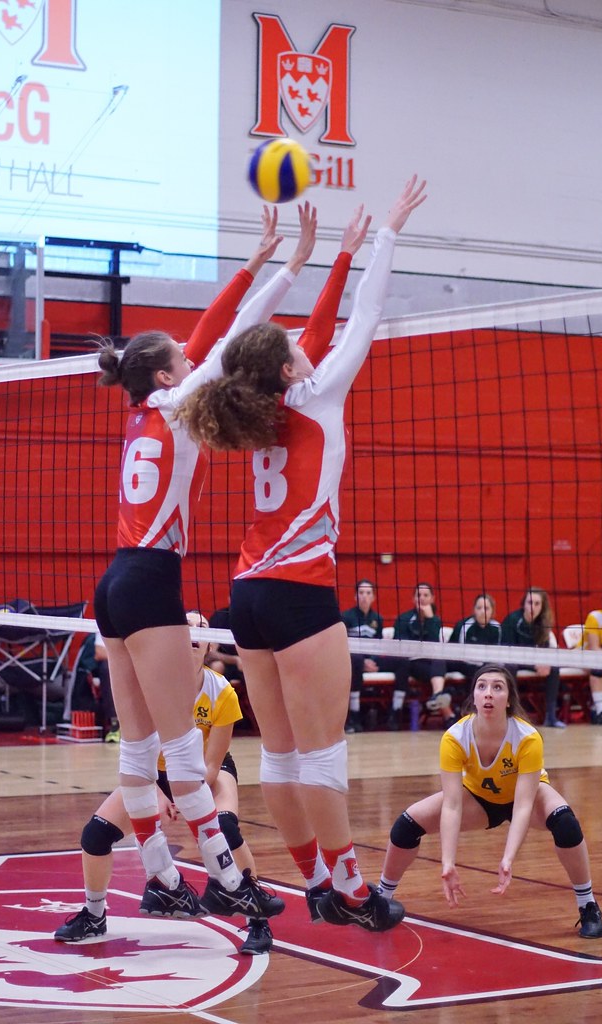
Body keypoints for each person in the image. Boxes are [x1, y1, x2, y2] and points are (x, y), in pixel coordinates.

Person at [178, 177, 427, 931]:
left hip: (248, 593)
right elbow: (366, 319)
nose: (301, 345)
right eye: (291, 348)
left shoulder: (266, 402)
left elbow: (313, 335)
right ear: (287, 369)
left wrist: (339, 256)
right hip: (299, 590)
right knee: (321, 756)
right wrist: (385, 234)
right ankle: (351, 890)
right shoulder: (319, 394)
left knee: (280, 756)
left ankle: (314, 880)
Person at [91, 205, 317, 923]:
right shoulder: (181, 399)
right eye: (184, 360)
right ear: (168, 373)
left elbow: (205, 333)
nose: (195, 361)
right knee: (182, 753)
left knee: (137, 750)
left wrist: (257, 257)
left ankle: (160, 879)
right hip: (153, 580)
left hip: (114, 582)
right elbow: (237, 327)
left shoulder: (141, 408)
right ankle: (227, 879)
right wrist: (281, 265)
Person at [55, 612, 274, 954]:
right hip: (153, 773)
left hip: (204, 773)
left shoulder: (222, 694)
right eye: (186, 626)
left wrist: (187, 798)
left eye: (202, 627)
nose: (194, 632)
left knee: (227, 832)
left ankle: (258, 920)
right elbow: (137, 753)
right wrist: (158, 792)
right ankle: (94, 915)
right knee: (94, 836)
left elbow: (213, 766)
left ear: (211, 644)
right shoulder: (151, 684)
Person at [375, 664, 602, 940]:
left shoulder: (527, 737)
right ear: (473, 696)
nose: (488, 693)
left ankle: (588, 905)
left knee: (566, 824)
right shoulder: (455, 738)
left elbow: (521, 805)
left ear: (508, 699)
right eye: (482, 686)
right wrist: (447, 862)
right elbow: (452, 805)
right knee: (405, 826)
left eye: (498, 687)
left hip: (527, 797)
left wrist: (508, 858)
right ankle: (381, 900)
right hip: (478, 799)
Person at [386, 583, 453, 729]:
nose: (421, 598)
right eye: (418, 595)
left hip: (429, 666)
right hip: (411, 665)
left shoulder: (435, 620)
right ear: (413, 598)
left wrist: (429, 619)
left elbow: (435, 645)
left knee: (439, 660)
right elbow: (400, 647)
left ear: (432, 599)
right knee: (408, 664)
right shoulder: (403, 618)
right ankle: (447, 711)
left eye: (425, 595)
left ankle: (437, 695)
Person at [501, 588, 563, 728]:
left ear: (542, 607)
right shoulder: (512, 620)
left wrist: (545, 662)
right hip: (510, 660)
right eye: (530, 602)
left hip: (531, 661)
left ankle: (551, 716)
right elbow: (509, 653)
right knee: (510, 668)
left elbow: (545, 650)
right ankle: (511, 714)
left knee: (554, 668)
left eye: (537, 604)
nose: (532, 607)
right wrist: (535, 664)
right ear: (524, 604)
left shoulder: (543, 623)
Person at [340, 579, 383, 733]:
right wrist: (364, 661)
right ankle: (354, 715)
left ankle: (395, 713)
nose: (364, 596)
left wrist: (372, 660)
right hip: (352, 661)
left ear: (373, 597)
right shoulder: (346, 617)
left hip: (371, 661)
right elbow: (343, 645)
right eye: (361, 593)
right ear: (355, 596)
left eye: (368, 593)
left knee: (401, 662)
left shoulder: (378, 619)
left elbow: (379, 644)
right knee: (357, 659)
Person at [446, 593, 502, 688]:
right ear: (474, 610)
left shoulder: (497, 628)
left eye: (486, 608)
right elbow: (459, 655)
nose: (482, 612)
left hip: (484, 665)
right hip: (461, 662)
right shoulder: (464, 626)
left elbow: (497, 654)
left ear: (492, 611)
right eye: (479, 608)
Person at [581, 592, 602, 725]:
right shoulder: (594, 618)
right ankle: (600, 711)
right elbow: (594, 648)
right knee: (597, 667)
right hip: (582, 656)